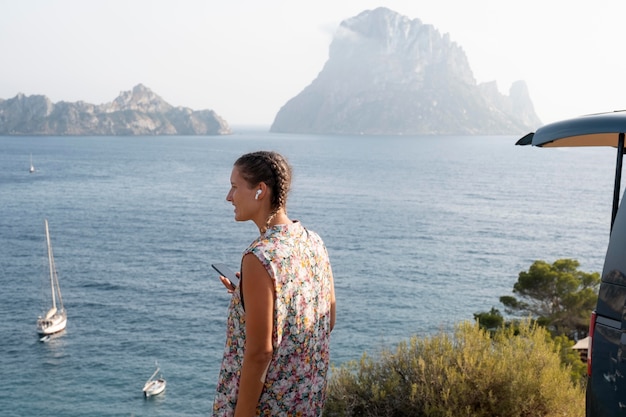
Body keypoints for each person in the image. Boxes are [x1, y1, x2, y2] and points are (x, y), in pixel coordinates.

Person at [212, 151, 336, 417]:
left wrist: (242, 413)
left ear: (260, 190)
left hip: (268, 406)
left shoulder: (259, 257)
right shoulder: (313, 241)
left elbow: (260, 353)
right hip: (306, 399)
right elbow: (327, 318)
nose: (228, 197)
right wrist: (246, 297)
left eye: (234, 187)